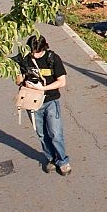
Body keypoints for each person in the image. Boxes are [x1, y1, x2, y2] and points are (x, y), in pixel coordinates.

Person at [15, 35, 71, 176]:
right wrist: (22, 80)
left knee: (55, 133)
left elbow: (62, 82)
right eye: (32, 51)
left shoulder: (52, 58)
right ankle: (51, 158)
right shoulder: (25, 58)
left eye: (37, 52)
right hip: (32, 102)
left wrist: (42, 88)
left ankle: (62, 161)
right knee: (41, 134)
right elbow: (18, 80)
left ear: (44, 48)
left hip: (50, 100)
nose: (34, 54)